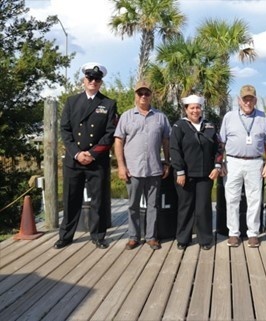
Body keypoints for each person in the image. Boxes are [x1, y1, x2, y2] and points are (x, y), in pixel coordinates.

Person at [54, 62, 118, 249]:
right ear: (84, 80)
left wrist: (91, 154)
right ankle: (65, 236)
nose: (93, 82)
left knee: (98, 201)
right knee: (70, 199)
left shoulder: (108, 104)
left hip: (96, 161)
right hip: (74, 160)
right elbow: (65, 130)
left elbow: (110, 133)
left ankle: (98, 235)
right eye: (90, 78)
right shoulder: (72, 101)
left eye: (97, 79)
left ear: (101, 82)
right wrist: (76, 154)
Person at [114, 80, 171, 251]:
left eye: (147, 93)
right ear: (135, 96)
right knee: (133, 205)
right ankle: (133, 237)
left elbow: (166, 141)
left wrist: (167, 162)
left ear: (151, 95)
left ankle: (151, 237)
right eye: (140, 93)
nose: (144, 96)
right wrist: (121, 166)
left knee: (153, 206)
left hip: (154, 169)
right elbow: (118, 142)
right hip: (133, 170)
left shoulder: (161, 117)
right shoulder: (126, 116)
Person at [219, 85, 266, 248]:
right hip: (233, 161)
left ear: (255, 100)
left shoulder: (263, 117)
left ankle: (253, 233)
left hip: (255, 162)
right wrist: (220, 162)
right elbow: (221, 142)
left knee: (255, 199)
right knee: (232, 198)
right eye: (245, 99)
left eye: (251, 99)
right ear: (239, 100)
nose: (248, 102)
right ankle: (233, 233)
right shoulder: (229, 117)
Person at [170, 94, 223, 251]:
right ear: (186, 109)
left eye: (198, 107)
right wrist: (179, 171)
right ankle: (183, 238)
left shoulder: (210, 126)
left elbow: (218, 148)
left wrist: (217, 166)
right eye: (192, 108)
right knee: (185, 206)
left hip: (206, 175)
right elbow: (174, 150)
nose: (195, 110)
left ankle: (205, 239)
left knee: (203, 207)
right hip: (185, 175)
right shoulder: (179, 126)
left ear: (201, 109)